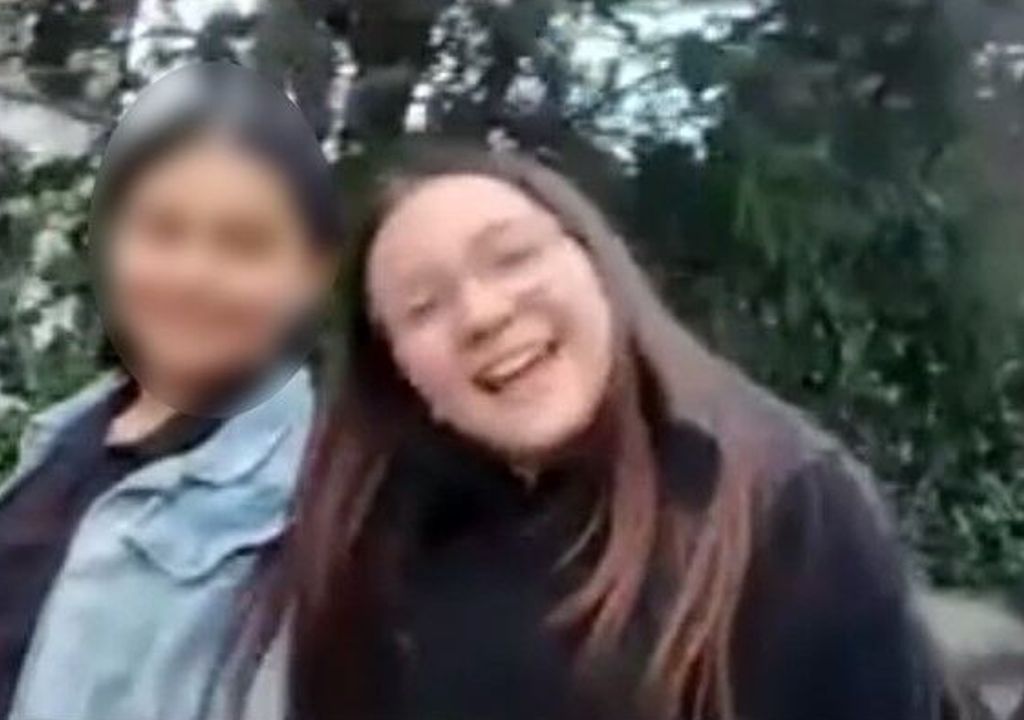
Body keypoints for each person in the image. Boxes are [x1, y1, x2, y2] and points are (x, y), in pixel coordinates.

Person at [249, 144, 956, 720]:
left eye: (512, 257)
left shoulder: (785, 506)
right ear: (402, 376)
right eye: (423, 306)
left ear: (597, 267)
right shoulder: (369, 563)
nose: (483, 314)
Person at [0, 61, 338, 720]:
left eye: (243, 244)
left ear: (309, 273)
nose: (191, 274)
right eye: (161, 231)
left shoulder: (315, 504)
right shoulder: (72, 431)